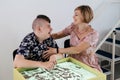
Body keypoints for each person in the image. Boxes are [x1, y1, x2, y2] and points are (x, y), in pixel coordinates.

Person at [43, 5, 102, 72]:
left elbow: (77, 50)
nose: (73, 16)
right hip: (72, 62)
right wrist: (42, 35)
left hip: (88, 65)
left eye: (76, 15)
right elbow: (57, 35)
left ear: (84, 16)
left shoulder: (93, 34)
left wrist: (56, 50)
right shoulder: (72, 27)